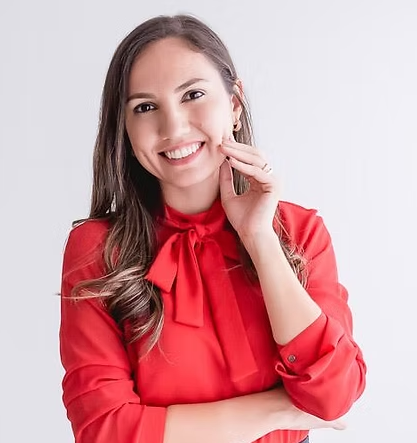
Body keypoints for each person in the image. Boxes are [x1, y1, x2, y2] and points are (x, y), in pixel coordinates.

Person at [59, 14, 366, 443]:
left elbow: (333, 396)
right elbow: (103, 431)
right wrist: (281, 410)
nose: (173, 127)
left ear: (234, 104)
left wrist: (260, 239)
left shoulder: (300, 232)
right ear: (124, 128)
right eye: (145, 107)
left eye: (193, 95)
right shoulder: (98, 249)